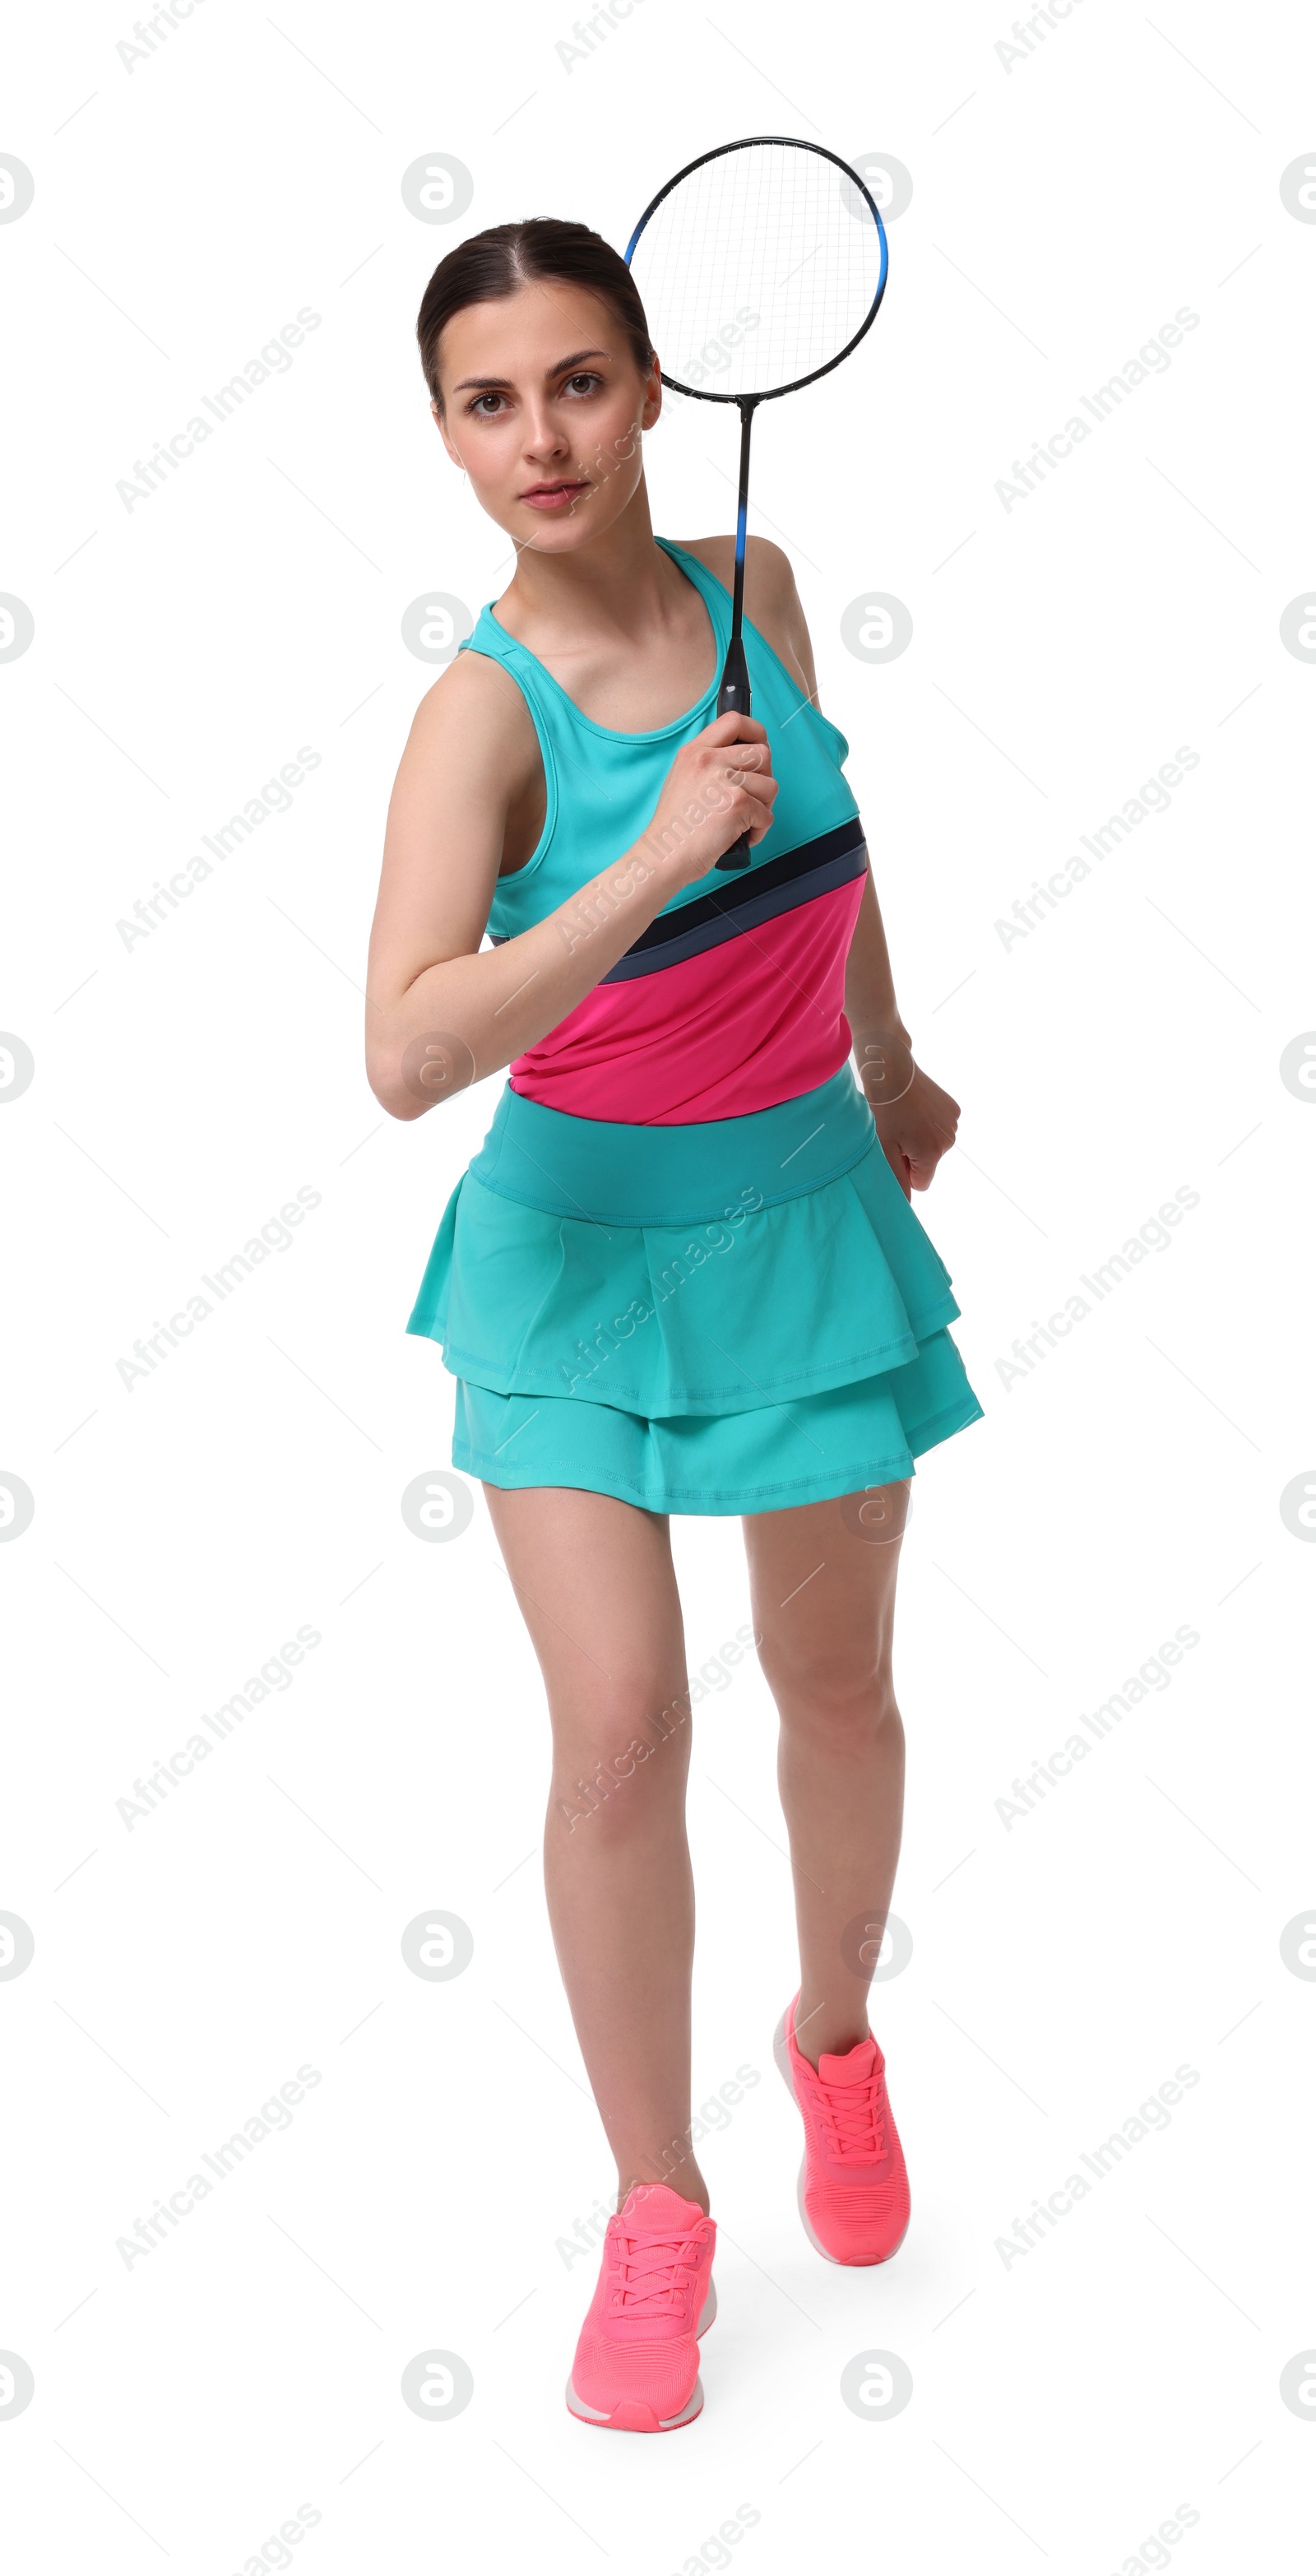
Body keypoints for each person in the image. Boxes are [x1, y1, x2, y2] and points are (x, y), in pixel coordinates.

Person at [365, 217, 983, 2434]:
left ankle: (834, 2035)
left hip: (801, 1219)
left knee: (839, 1685)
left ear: (646, 385)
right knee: (622, 1727)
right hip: (570, 1252)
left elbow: (831, 838)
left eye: (579, 382)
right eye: (488, 400)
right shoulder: (480, 715)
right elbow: (408, 1053)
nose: (542, 435)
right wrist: (638, 866)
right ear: (444, 437)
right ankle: (658, 2207)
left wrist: (887, 1057)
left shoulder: (763, 583)